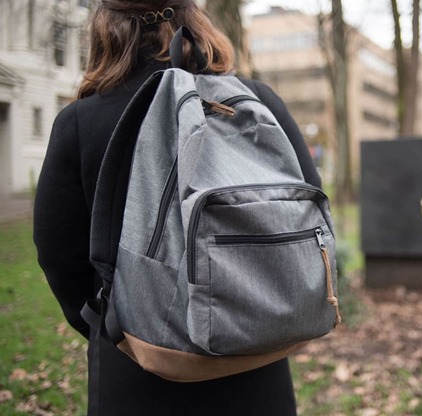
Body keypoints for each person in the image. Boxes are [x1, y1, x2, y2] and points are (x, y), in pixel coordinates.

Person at [33, 1, 321, 414]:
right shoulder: (257, 102)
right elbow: (308, 206)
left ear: (105, 29)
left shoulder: (81, 121)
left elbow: (60, 255)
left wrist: (117, 327)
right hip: (257, 358)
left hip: (139, 371)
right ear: (196, 19)